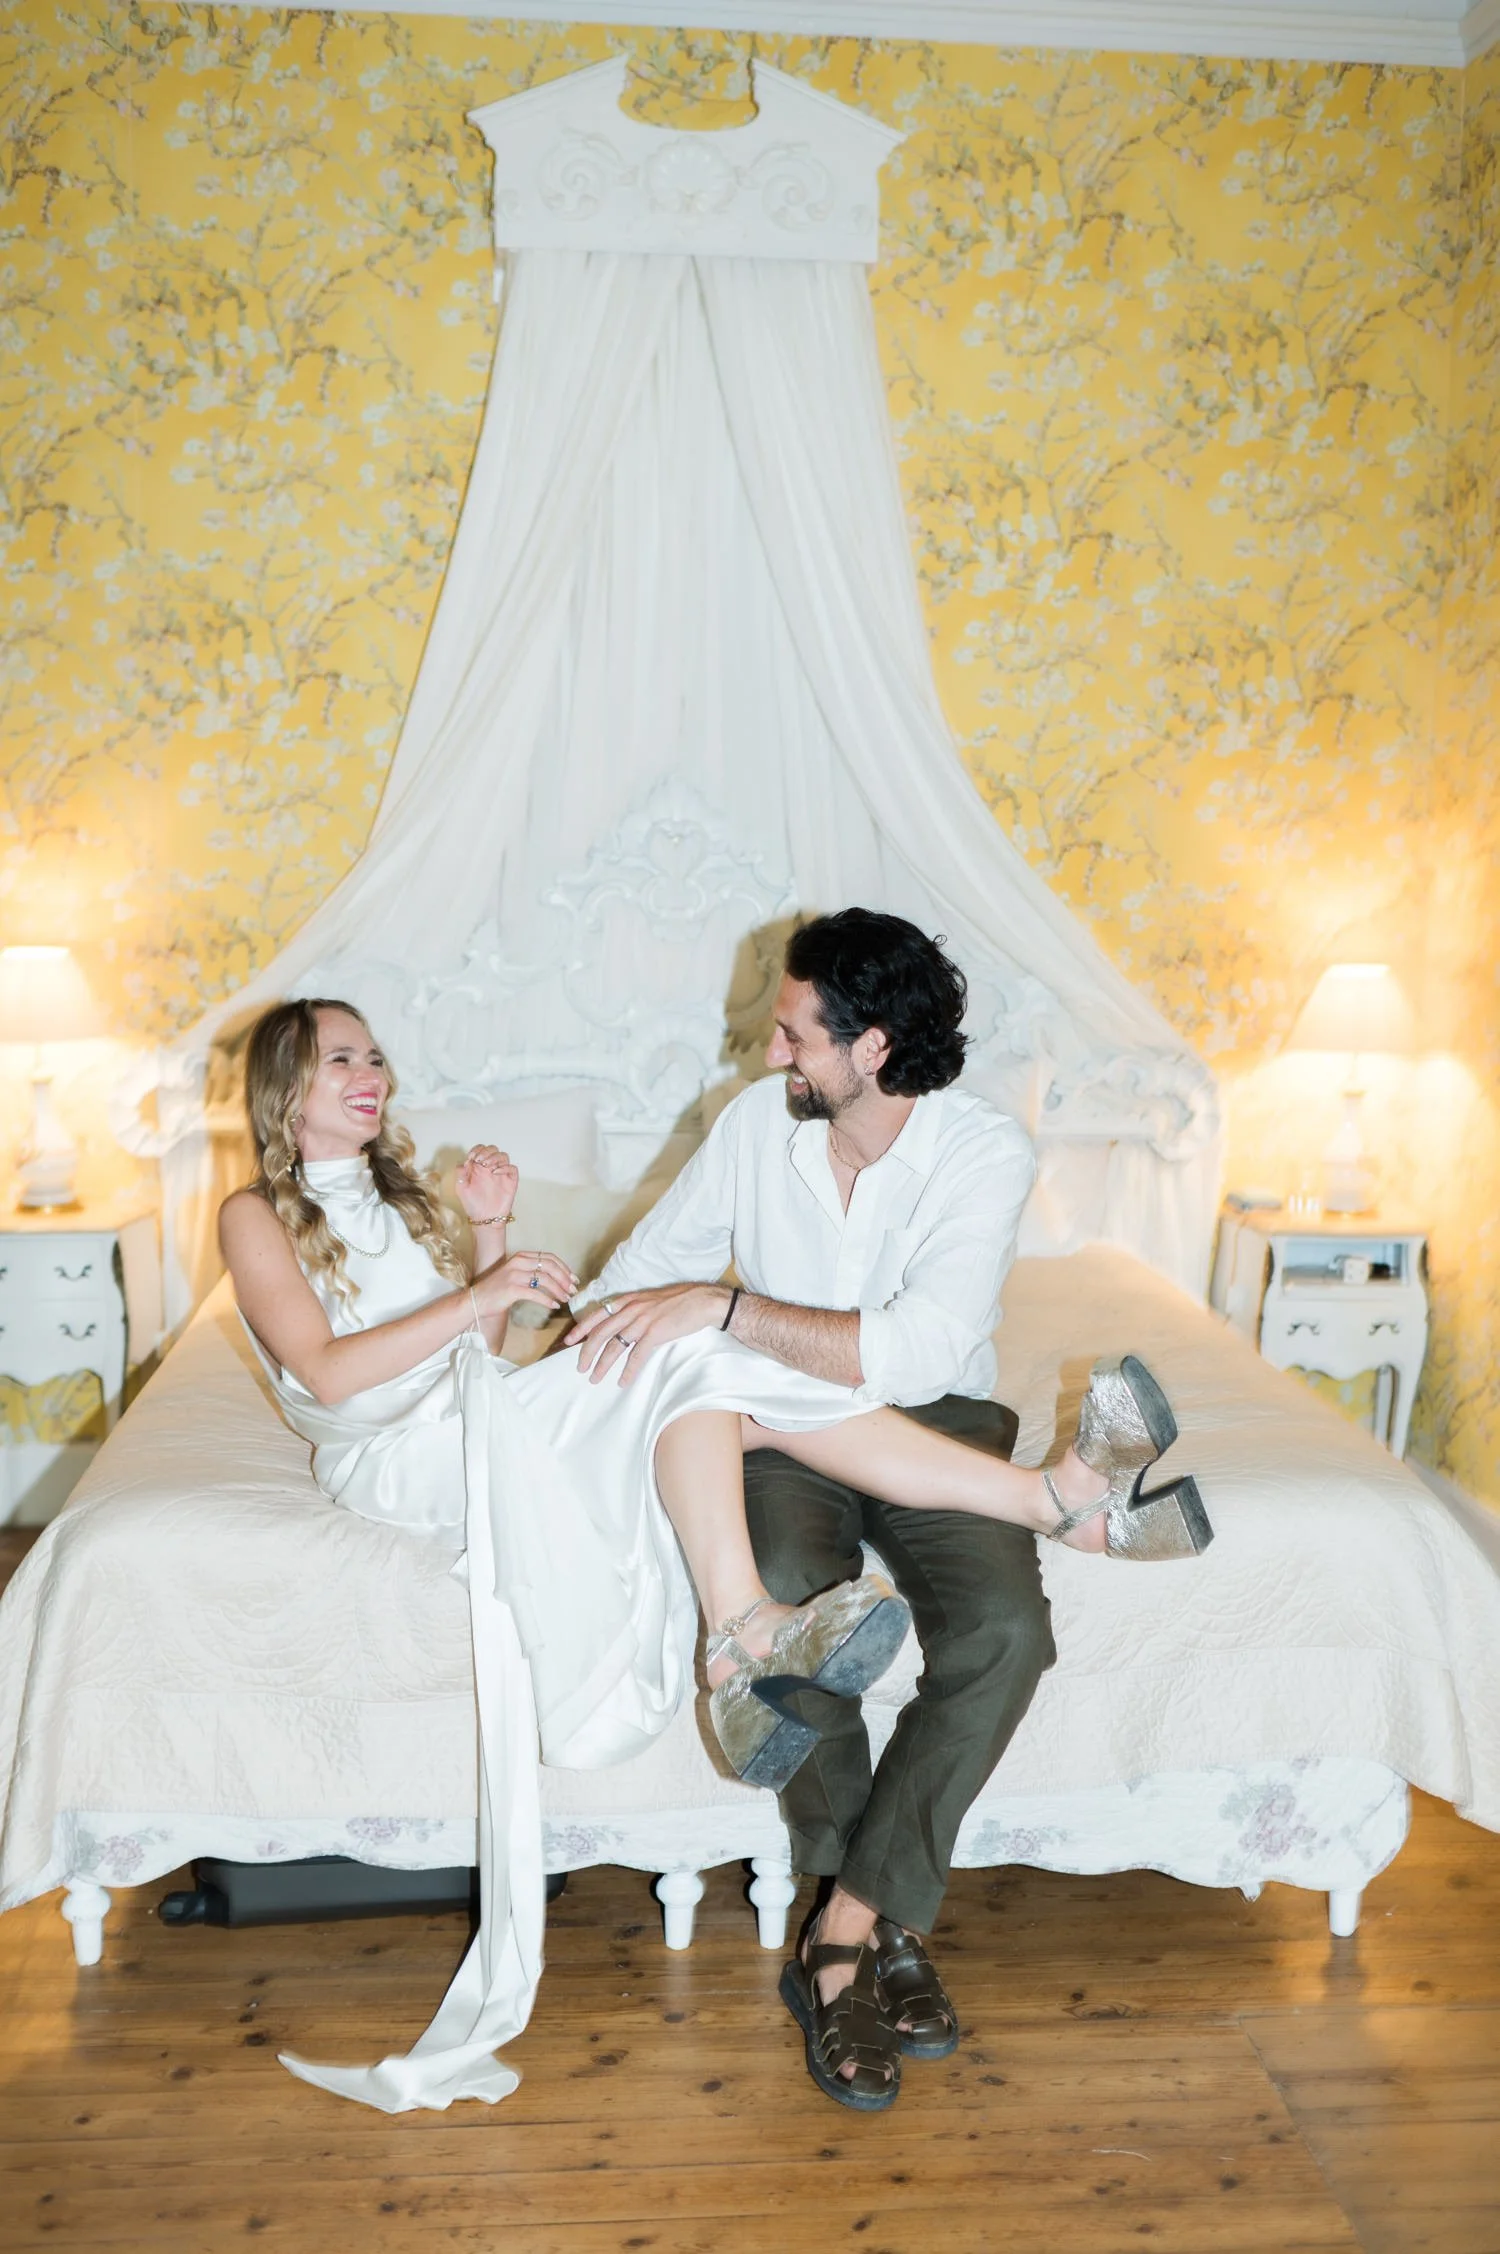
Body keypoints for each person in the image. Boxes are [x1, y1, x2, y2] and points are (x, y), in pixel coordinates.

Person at [220, 990, 1206, 2115]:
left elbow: (481, 1354)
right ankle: (1037, 1506)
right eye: (341, 1060)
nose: (372, 1075)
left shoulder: (404, 1196)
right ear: (285, 1089)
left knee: (702, 1356)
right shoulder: (253, 1214)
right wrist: (489, 1288)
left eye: (374, 1057)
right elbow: (333, 1371)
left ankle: (757, 1632)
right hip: (404, 1459)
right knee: (695, 1348)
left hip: (474, 1418)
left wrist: (487, 1236)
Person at [566, 908, 1211, 2111]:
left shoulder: (982, 1152)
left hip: (935, 1417)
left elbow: (910, 1352)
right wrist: (575, 1340)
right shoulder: (754, 1126)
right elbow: (644, 1272)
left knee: (1006, 1632)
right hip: (776, 1428)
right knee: (791, 1608)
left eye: (795, 1035)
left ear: (871, 1047)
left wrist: (725, 1309)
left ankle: (846, 1925)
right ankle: (877, 1939)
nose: (770, 1054)